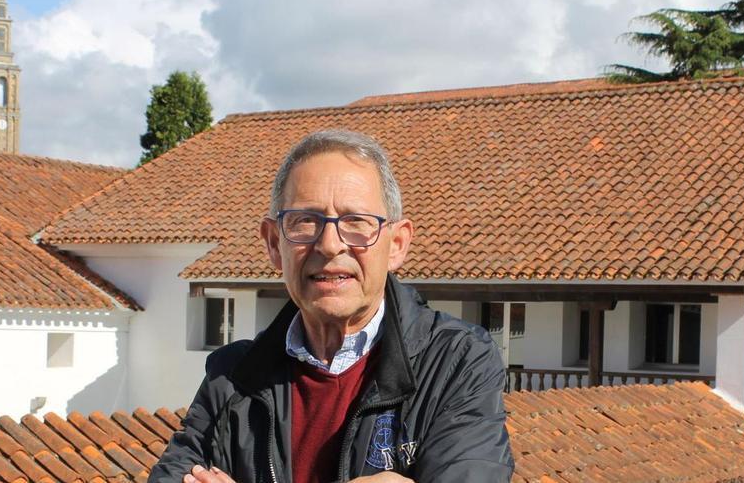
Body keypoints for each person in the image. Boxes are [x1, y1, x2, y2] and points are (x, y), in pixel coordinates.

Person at [149, 130, 513, 483]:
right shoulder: (232, 378)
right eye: (305, 221)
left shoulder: (455, 362)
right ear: (274, 244)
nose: (329, 244)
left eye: (356, 222)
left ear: (397, 244)